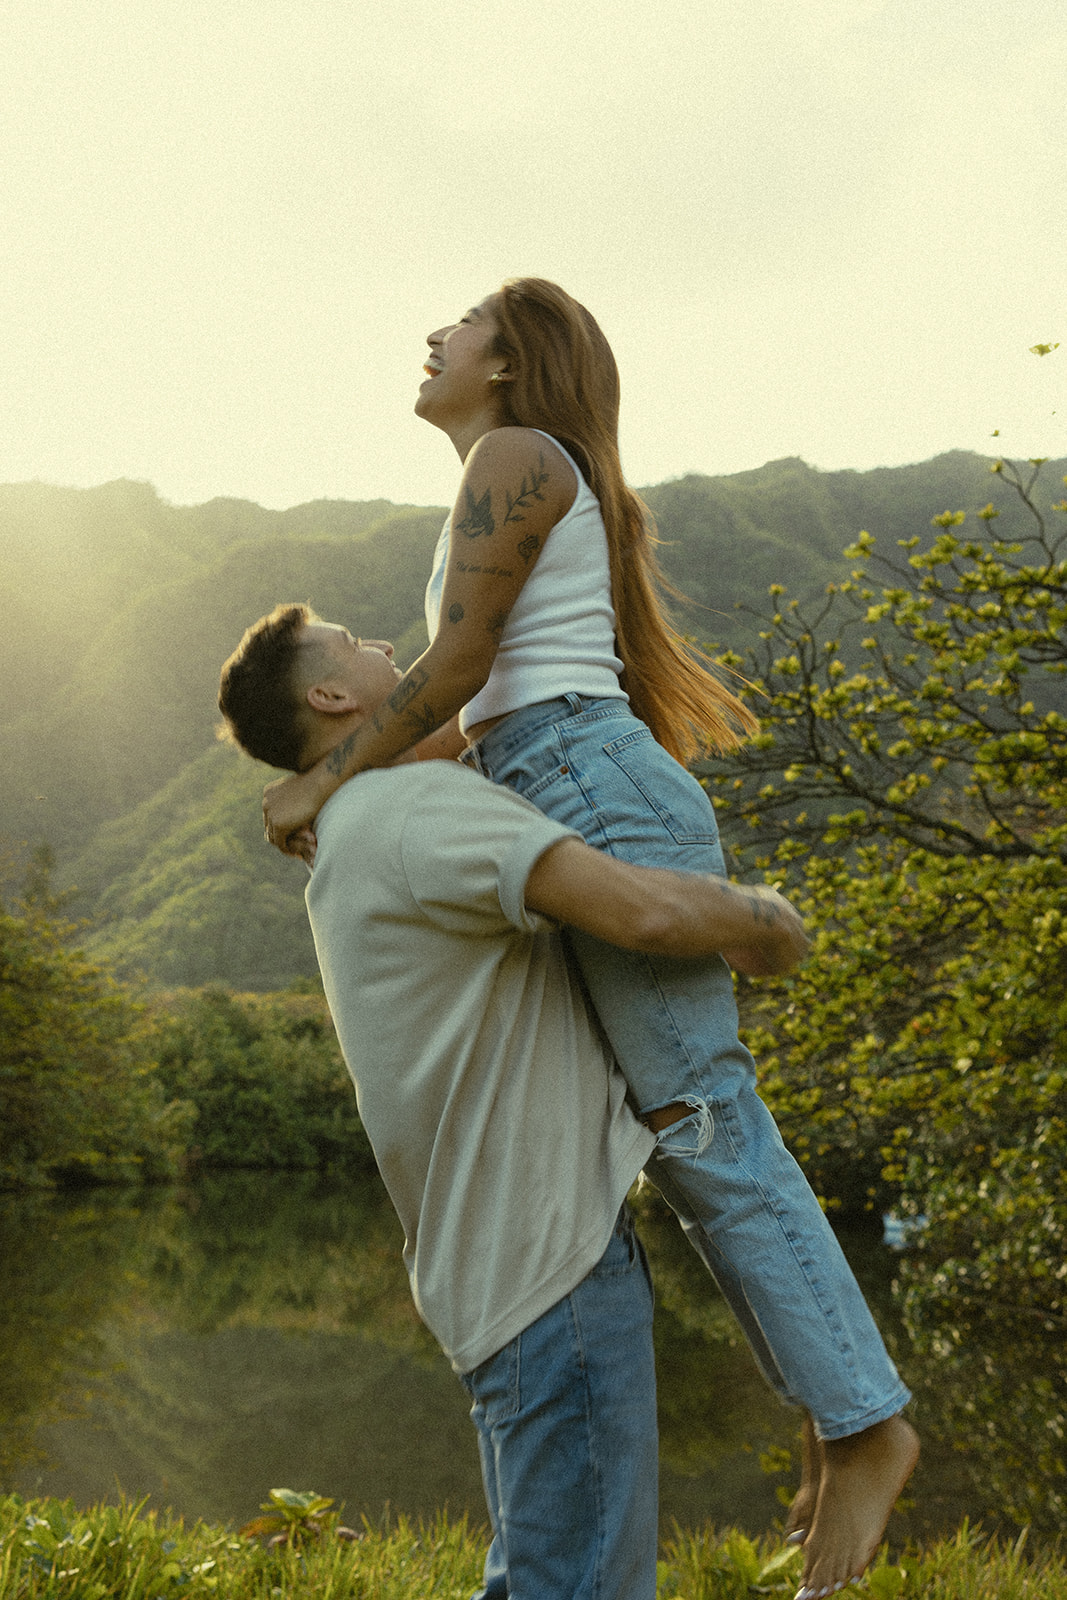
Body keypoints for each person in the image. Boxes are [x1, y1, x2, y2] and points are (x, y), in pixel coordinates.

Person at [259, 280, 919, 1600]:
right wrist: (349, 793)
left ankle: (863, 1422)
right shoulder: (498, 481)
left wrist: (321, 789)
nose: (431, 334)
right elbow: (465, 714)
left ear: (510, 366)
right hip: (551, 768)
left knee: (699, 1114)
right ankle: (839, 1404)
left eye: (458, 324)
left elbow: (449, 679)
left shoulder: (513, 461)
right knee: (685, 1127)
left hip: (585, 779)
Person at [218, 604, 813, 1600]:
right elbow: (646, 907)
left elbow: (474, 716)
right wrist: (768, 918)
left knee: (543, 1576)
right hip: (550, 1273)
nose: (376, 640)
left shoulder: (363, 823)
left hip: (503, 1273)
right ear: (328, 695)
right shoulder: (414, 812)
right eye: (348, 638)